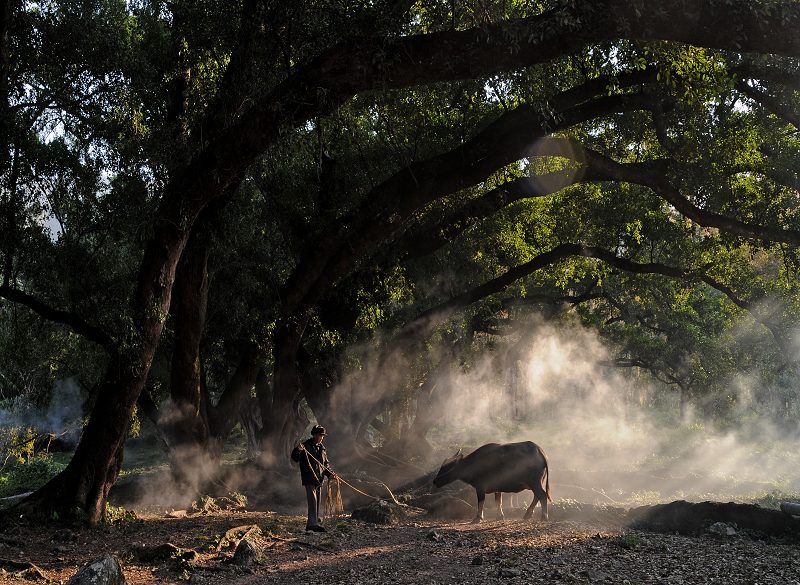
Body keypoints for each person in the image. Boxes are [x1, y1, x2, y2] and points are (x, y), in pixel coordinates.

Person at [291, 424, 335, 532]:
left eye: (323, 436)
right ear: (314, 435)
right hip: (309, 477)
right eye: (320, 435)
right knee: (313, 500)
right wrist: (297, 449)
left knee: (317, 501)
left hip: (319, 479)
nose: (321, 437)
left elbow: (326, 465)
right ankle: (312, 524)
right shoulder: (305, 446)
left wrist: (331, 474)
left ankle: (313, 522)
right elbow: (295, 458)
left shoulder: (322, 448)